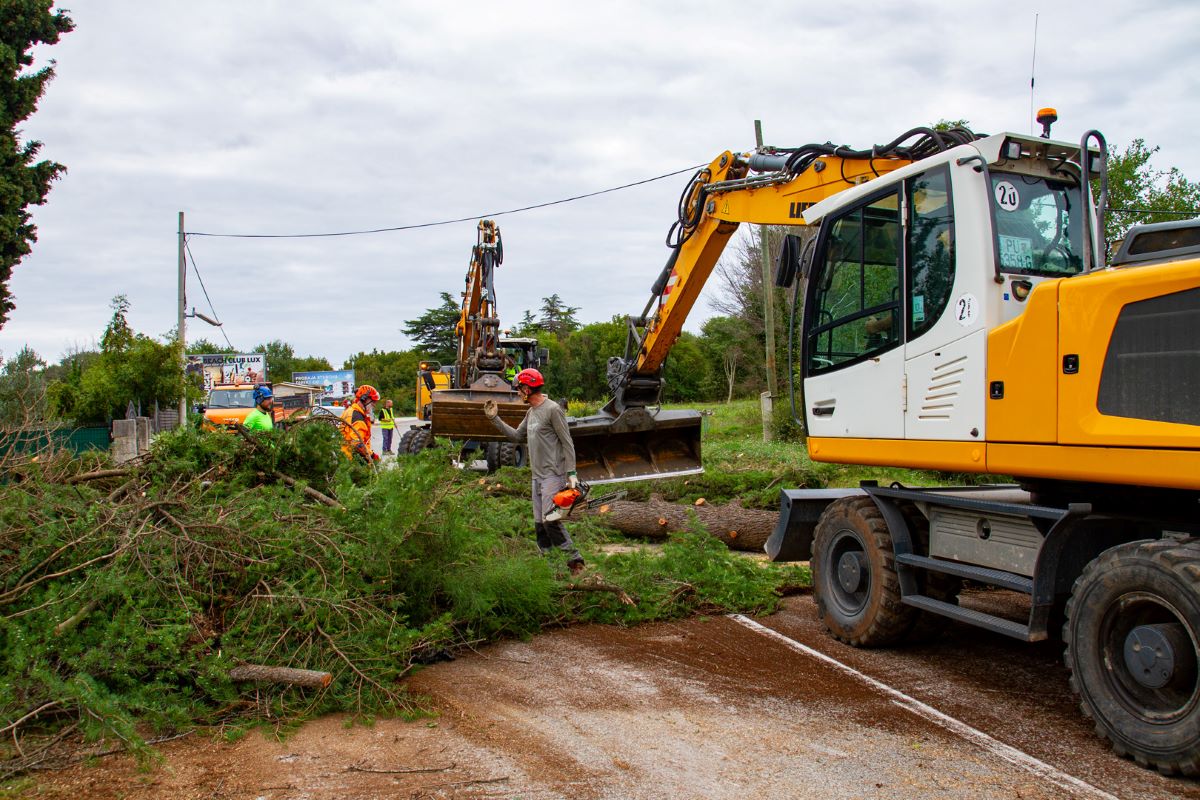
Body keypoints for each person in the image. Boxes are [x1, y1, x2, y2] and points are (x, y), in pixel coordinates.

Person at [484, 368, 585, 575]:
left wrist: (571, 473)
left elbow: (568, 443)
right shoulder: (531, 413)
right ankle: (550, 565)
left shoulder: (553, 410)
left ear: (528, 388)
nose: (518, 393)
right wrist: (495, 419)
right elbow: (516, 436)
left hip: (552, 474)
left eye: (519, 389)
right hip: (536, 476)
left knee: (551, 521)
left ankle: (575, 562)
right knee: (540, 524)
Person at [341, 384, 380, 462]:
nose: (374, 405)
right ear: (364, 399)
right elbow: (357, 445)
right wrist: (371, 455)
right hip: (352, 460)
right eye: (373, 402)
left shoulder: (349, 411)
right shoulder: (358, 417)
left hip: (344, 456)